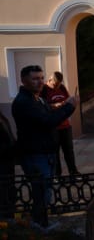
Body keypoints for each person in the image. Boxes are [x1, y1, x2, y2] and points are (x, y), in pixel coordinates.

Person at [12, 65, 77, 225]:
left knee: (45, 192)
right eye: (35, 79)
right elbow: (47, 122)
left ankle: (41, 223)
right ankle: (39, 226)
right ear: (23, 80)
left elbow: (48, 114)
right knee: (41, 193)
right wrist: (69, 106)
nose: (40, 82)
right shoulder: (24, 102)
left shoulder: (38, 98)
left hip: (46, 153)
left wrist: (59, 107)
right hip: (35, 155)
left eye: (41, 78)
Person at [41, 71, 80, 177]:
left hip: (65, 125)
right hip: (53, 126)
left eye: (58, 84)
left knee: (69, 150)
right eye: (55, 84)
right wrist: (55, 105)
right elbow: (42, 106)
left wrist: (71, 101)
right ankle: (57, 175)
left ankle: (73, 172)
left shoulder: (62, 88)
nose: (57, 86)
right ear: (49, 80)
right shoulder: (43, 90)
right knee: (55, 152)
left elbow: (66, 99)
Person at [0, 109, 17, 219]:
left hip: (7, 164)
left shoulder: (2, 116)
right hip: (2, 164)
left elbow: (9, 137)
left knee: (9, 194)